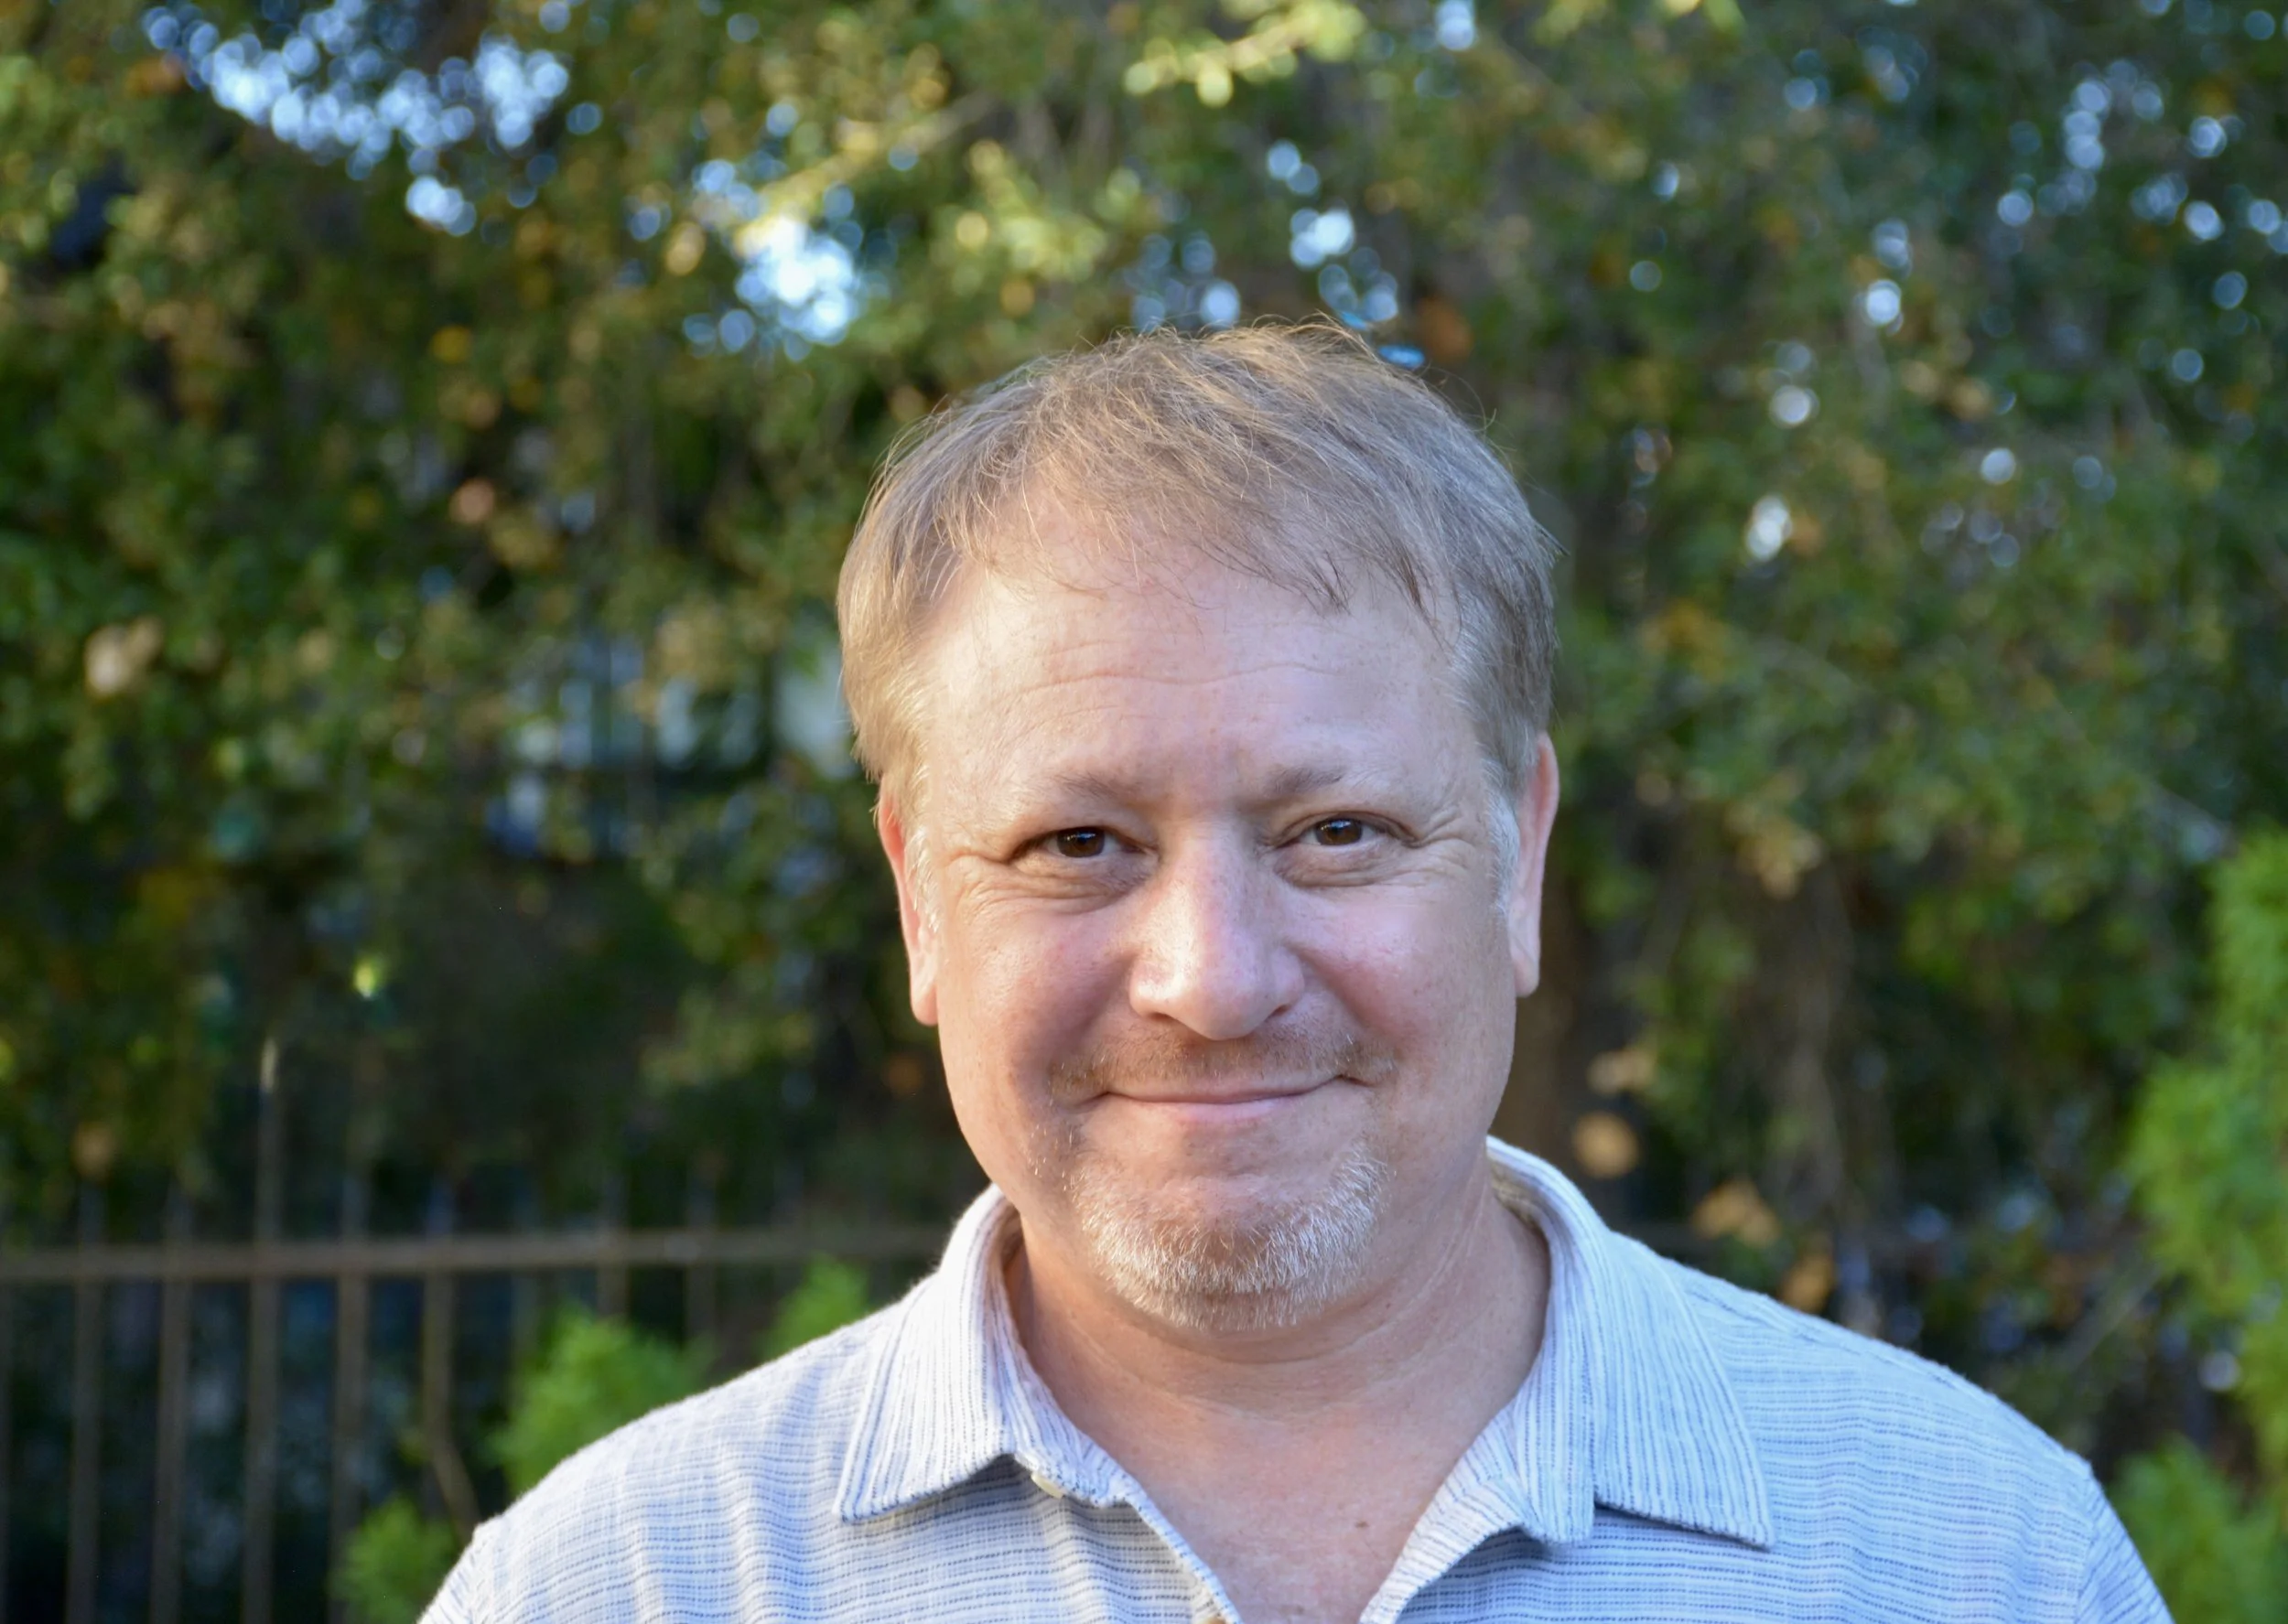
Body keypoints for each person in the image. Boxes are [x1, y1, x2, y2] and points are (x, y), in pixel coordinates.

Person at [423, 324, 2168, 1623]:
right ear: (921, 903)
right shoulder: (618, 1585)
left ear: (1522, 854)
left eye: (1335, 830)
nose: (1212, 978)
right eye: (1076, 845)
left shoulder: (1981, 1557)